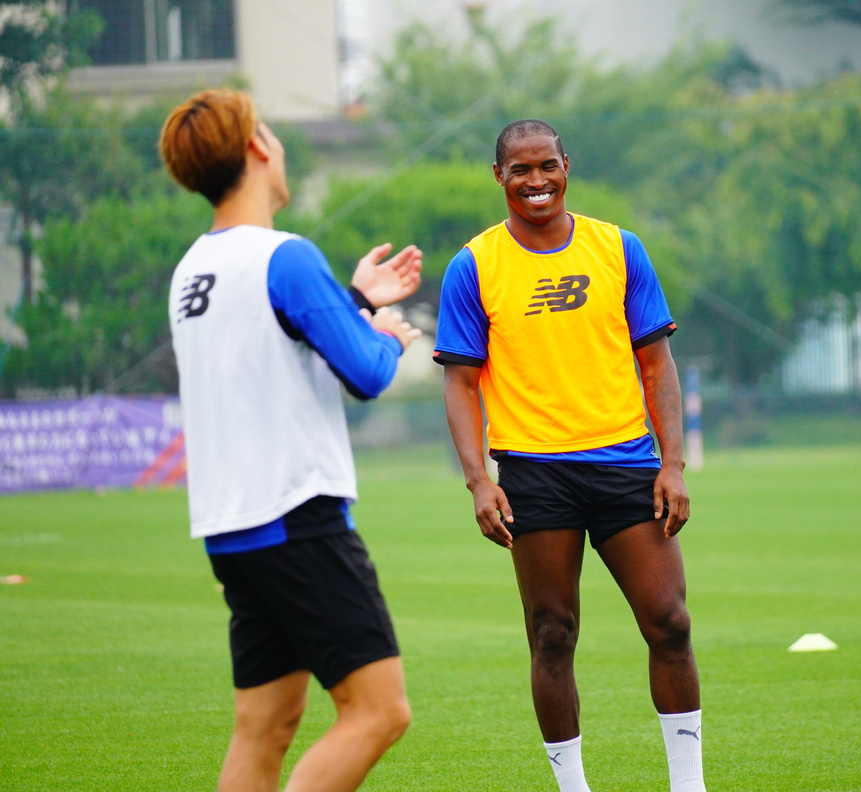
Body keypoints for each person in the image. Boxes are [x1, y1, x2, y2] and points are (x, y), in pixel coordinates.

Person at [160, 88, 422, 792]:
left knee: (266, 726)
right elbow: (365, 372)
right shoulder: (287, 256)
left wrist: (353, 303)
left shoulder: (192, 270)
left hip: (231, 529)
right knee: (379, 712)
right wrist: (384, 335)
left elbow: (272, 342)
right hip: (297, 518)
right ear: (256, 147)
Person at [434, 119, 706, 792]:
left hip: (626, 465)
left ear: (566, 166)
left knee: (669, 622)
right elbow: (461, 383)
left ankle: (688, 785)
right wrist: (478, 481)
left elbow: (657, 364)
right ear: (499, 176)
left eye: (546, 166)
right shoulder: (474, 265)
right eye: (520, 170)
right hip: (534, 473)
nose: (536, 181)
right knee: (552, 634)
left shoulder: (619, 248)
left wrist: (672, 464)